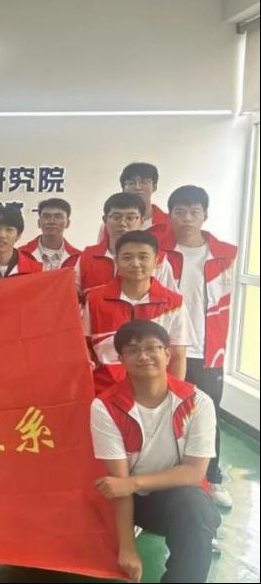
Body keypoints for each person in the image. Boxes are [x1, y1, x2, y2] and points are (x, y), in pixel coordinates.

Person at [90, 319, 220, 583]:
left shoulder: (197, 402)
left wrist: (133, 482)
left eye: (152, 348)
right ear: (121, 359)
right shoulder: (105, 407)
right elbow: (119, 484)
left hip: (178, 497)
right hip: (133, 501)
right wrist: (128, 547)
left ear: (167, 354)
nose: (144, 356)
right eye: (133, 350)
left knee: (195, 509)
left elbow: (194, 473)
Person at [161, 185, 238, 508]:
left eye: (194, 212)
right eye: (179, 212)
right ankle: (167, 477)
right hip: (166, 349)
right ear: (170, 216)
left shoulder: (224, 255)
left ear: (205, 215)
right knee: (165, 414)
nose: (187, 218)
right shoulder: (159, 253)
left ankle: (212, 478)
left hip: (208, 350)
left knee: (208, 414)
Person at [83, 230, 194, 394]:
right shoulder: (95, 299)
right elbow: (85, 345)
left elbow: (177, 356)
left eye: (143, 257)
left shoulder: (174, 303)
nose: (135, 264)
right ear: (117, 261)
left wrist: (172, 397)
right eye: (127, 257)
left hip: (153, 391)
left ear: (156, 261)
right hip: (104, 390)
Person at [19, 198, 81, 270]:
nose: (51, 221)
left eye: (58, 217)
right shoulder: (20, 254)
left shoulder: (79, 258)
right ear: (39, 222)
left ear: (68, 223)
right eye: (46, 216)